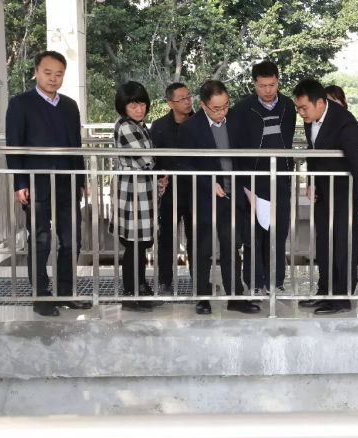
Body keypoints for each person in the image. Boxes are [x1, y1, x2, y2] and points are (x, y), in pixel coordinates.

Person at [5, 51, 90, 317]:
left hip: (67, 182)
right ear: (36, 72)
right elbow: (14, 146)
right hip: (36, 183)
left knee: (72, 240)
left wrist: (80, 179)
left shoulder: (69, 106)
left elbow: (76, 146)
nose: (53, 78)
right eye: (48, 72)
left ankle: (65, 292)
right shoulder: (20, 104)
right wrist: (19, 181)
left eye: (58, 74)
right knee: (40, 240)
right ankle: (40, 296)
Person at [293, 79, 358, 315]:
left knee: (343, 245)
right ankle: (325, 291)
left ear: (320, 102)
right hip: (324, 192)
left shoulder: (344, 121)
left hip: (346, 193)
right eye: (298, 108)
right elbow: (313, 152)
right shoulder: (310, 120)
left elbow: (357, 159)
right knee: (324, 243)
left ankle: (342, 298)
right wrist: (312, 181)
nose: (301, 113)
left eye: (304, 108)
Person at [177, 80, 259, 315]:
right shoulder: (190, 127)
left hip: (234, 196)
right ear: (203, 105)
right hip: (205, 198)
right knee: (202, 249)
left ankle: (235, 297)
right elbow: (183, 165)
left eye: (225, 106)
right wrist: (208, 182)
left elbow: (246, 155)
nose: (222, 112)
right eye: (216, 108)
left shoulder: (236, 120)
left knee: (232, 247)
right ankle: (202, 297)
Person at [234, 61, 296, 295]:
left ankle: (276, 282)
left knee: (278, 232)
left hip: (280, 178)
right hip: (254, 179)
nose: (268, 90)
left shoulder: (288, 106)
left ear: (278, 81)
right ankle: (254, 282)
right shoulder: (243, 108)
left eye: (272, 84)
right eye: (262, 86)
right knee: (254, 233)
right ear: (254, 84)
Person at [110, 81, 167, 312]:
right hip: (133, 192)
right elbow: (146, 159)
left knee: (141, 244)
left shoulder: (138, 124)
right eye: (133, 105)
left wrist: (159, 176)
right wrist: (162, 175)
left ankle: (141, 289)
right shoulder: (126, 126)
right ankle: (130, 295)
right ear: (123, 106)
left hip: (142, 190)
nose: (139, 109)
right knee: (134, 245)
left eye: (142, 104)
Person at [150, 82, 194, 295]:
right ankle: (165, 280)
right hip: (169, 192)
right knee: (166, 237)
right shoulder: (159, 127)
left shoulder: (200, 122)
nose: (187, 102)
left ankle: (199, 280)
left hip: (195, 190)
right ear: (170, 103)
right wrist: (159, 176)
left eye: (188, 97)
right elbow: (152, 159)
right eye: (181, 99)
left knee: (197, 238)